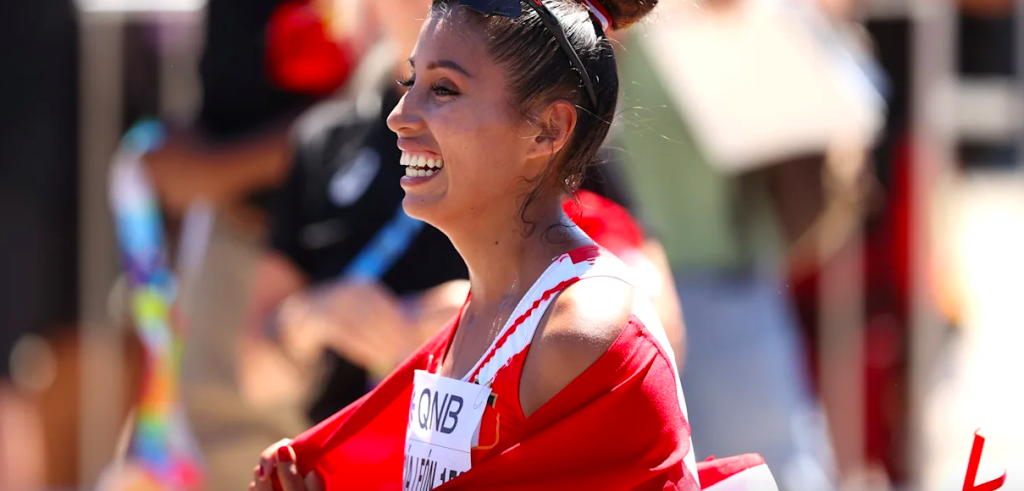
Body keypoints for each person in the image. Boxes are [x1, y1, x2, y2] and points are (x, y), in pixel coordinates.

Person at [249, 0, 703, 489]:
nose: (400, 117)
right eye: (409, 83)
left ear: (548, 129)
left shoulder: (576, 333)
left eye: (443, 88)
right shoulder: (481, 323)